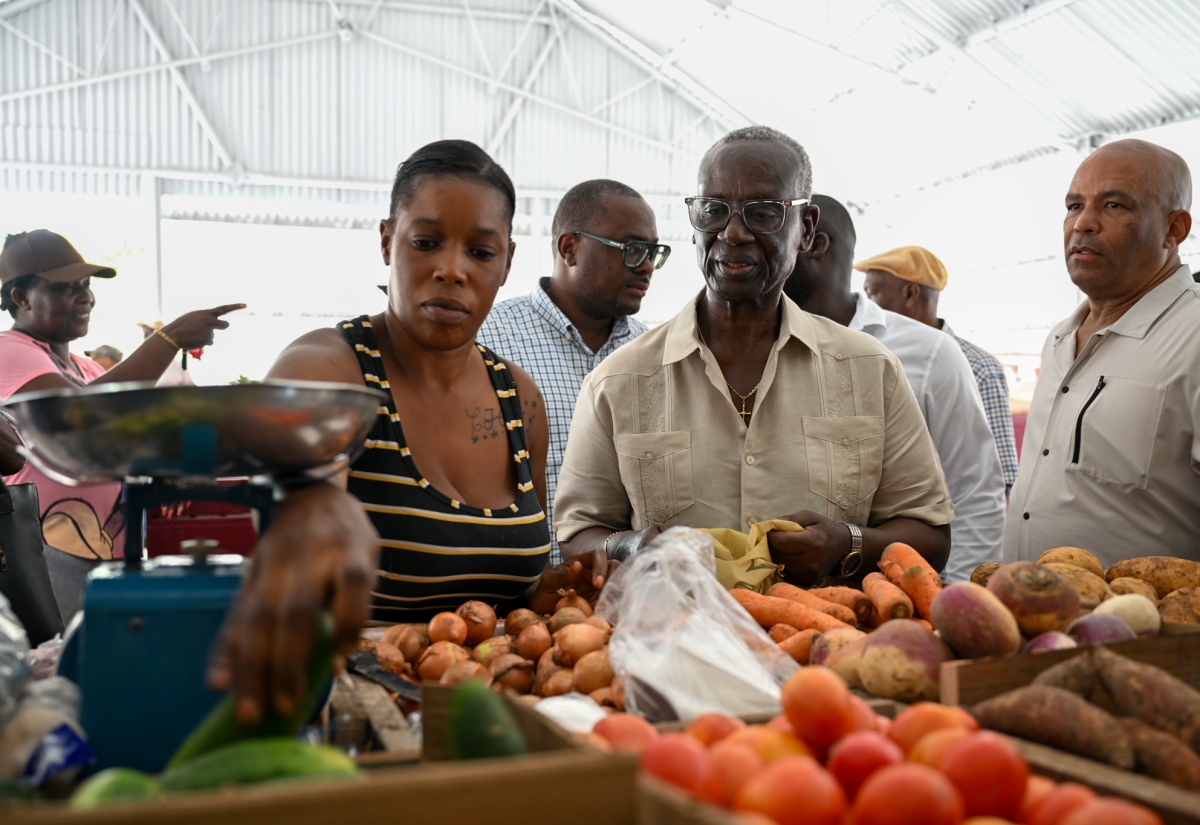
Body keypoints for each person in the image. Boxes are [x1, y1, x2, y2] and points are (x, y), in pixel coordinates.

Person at [213, 140, 580, 723]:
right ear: (388, 240)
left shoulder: (519, 399)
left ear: (507, 262)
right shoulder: (325, 375)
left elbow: (516, 594)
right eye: (426, 242)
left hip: (500, 724)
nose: (452, 270)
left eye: (480, 251)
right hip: (353, 716)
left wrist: (572, 585)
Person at [553, 126, 954, 586]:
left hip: (828, 649)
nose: (734, 232)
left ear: (805, 229)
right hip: (673, 647)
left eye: (763, 212)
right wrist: (633, 548)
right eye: (714, 210)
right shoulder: (620, 380)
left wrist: (847, 545)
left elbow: (930, 534)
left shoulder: (870, 370)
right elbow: (577, 538)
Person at [0, 228, 243, 621]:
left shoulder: (86, 367)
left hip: (112, 550)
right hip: (49, 549)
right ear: (21, 297)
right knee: (63, 666)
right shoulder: (8, 350)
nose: (86, 296)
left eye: (86, 285)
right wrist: (169, 338)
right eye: (66, 287)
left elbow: (127, 436)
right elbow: (80, 417)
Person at [785, 194, 1005, 582]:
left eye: (774, 234)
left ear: (811, 243)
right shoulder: (765, 346)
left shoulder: (930, 352)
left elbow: (973, 488)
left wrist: (956, 595)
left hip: (902, 595)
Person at [1004, 138, 1198, 566]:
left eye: (1114, 206)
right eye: (1074, 206)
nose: (1083, 223)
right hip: (1033, 619)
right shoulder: (1059, 339)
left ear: (1174, 229)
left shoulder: (1194, 337)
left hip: (1150, 630)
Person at [476, 179, 666, 564]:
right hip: (510, 601)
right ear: (570, 248)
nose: (646, 266)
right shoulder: (488, 340)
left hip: (623, 598)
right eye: (632, 249)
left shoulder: (657, 357)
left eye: (653, 252)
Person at [857, 245, 1020, 497]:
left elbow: (1001, 478)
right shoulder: (871, 358)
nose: (868, 307)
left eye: (873, 294)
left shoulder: (979, 367)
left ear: (911, 293)